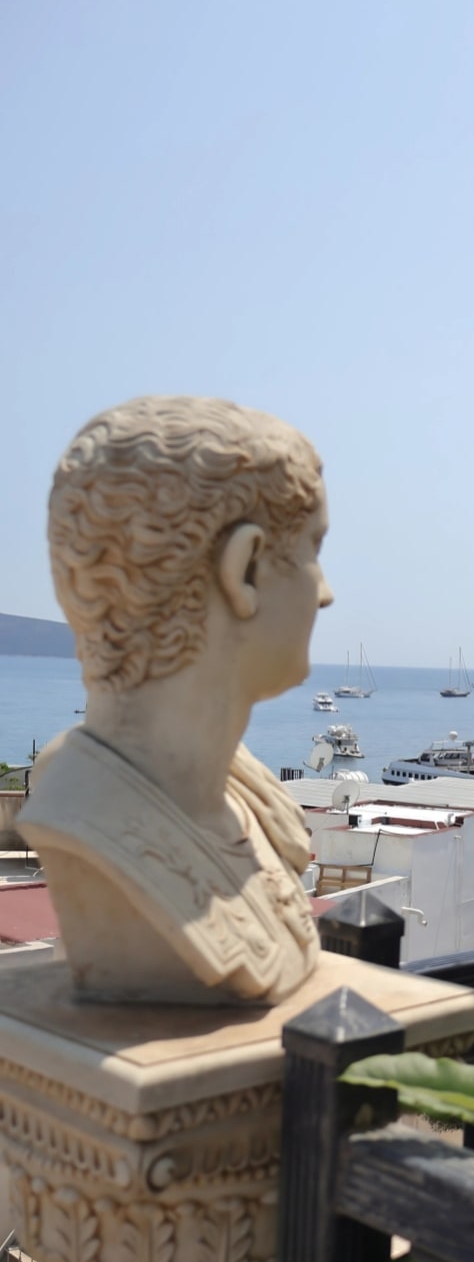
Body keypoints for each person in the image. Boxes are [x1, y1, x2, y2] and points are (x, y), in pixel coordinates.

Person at [18, 395, 333, 1005]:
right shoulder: (86, 812)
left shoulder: (245, 795)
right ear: (243, 572)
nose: (325, 593)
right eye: (312, 550)